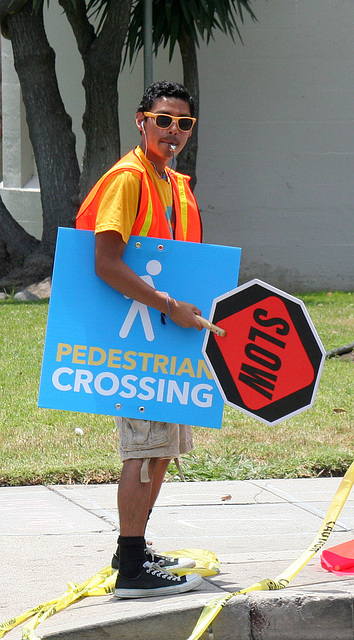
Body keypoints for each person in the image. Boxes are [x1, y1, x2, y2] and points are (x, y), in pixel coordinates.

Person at [76, 81, 204, 599]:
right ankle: (131, 570)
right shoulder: (128, 179)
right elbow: (105, 263)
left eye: (183, 123)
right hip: (138, 338)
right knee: (142, 449)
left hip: (168, 337)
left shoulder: (171, 181)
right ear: (141, 120)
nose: (173, 131)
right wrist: (170, 306)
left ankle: (135, 545)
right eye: (164, 119)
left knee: (163, 448)